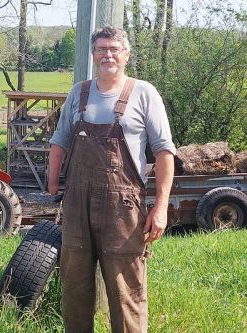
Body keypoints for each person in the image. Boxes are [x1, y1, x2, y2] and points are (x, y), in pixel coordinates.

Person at [48, 27, 176, 333]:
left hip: (123, 211)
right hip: (77, 208)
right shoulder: (78, 92)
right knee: (75, 289)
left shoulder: (144, 93)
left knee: (126, 293)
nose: (108, 54)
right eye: (102, 49)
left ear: (126, 55)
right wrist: (53, 184)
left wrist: (160, 208)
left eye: (115, 49)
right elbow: (58, 141)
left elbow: (164, 153)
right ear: (93, 55)